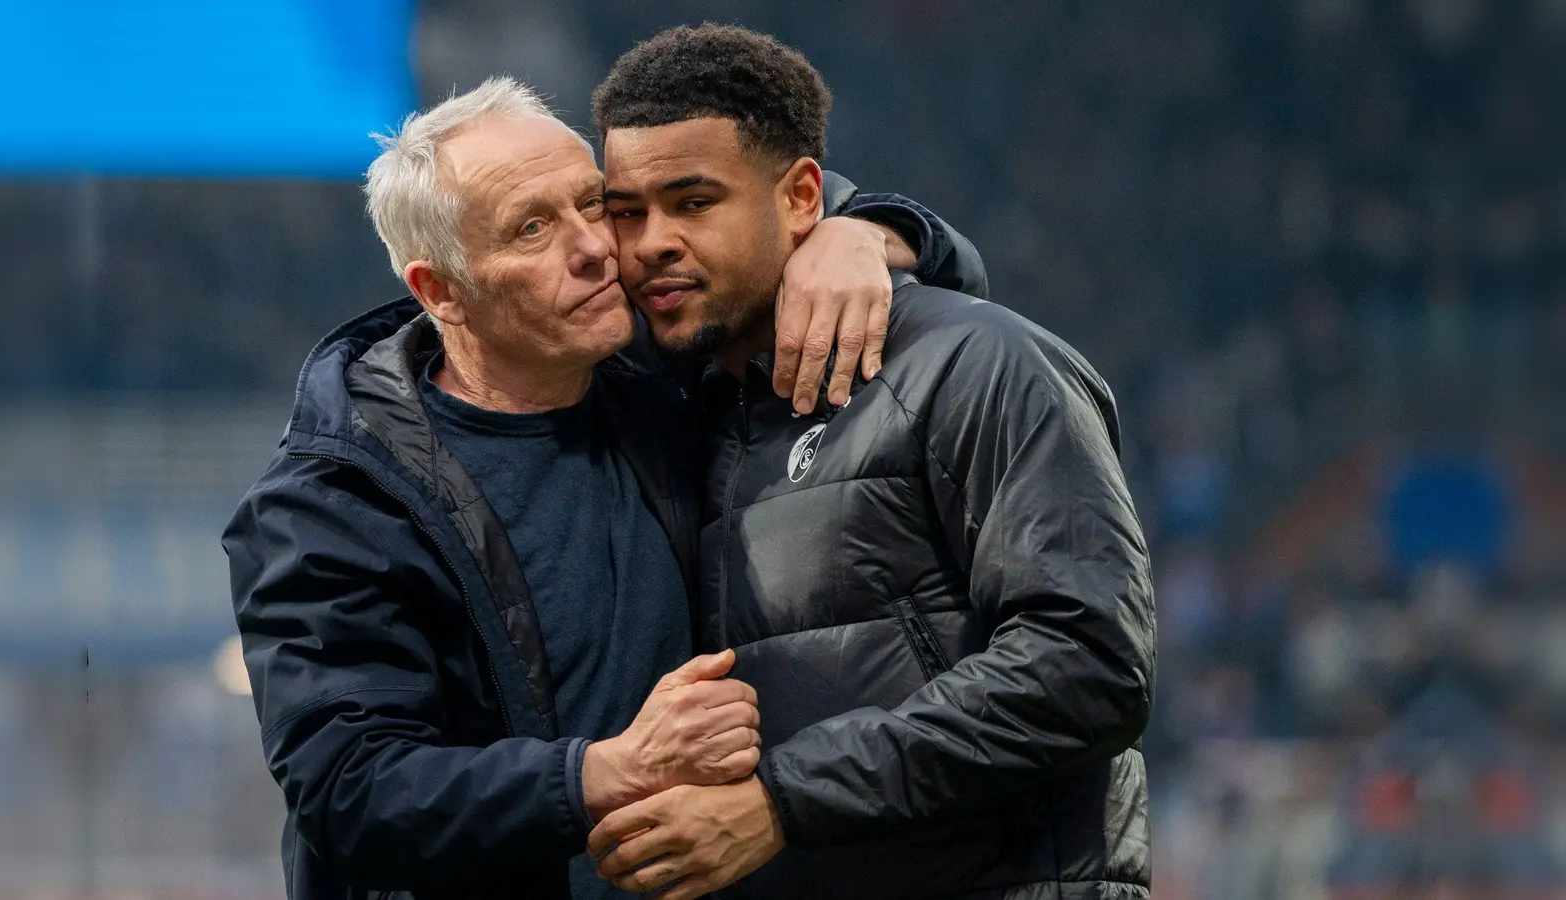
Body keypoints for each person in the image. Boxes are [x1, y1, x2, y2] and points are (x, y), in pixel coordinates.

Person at [221, 75, 985, 900]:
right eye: (533, 228)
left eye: (593, 205)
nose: (593, 247)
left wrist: (862, 234)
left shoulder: (668, 368)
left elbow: (921, 258)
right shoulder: (334, 504)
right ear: (439, 290)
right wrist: (605, 772)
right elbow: (351, 792)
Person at [586, 24, 1156, 900]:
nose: (651, 242)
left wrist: (780, 801)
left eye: (693, 202)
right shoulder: (665, 416)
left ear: (802, 196)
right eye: (627, 213)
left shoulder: (977, 362)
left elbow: (1087, 665)